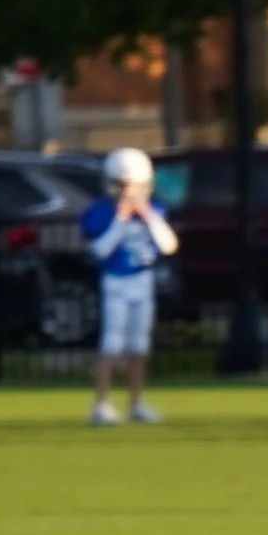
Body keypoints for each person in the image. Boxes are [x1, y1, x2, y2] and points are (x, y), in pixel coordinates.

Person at [82, 146, 177, 426]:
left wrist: (147, 216)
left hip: (142, 281)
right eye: (123, 185)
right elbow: (100, 251)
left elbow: (168, 246)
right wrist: (121, 220)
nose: (129, 191)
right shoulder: (101, 212)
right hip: (116, 281)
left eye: (133, 185)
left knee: (139, 346)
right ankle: (101, 404)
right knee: (111, 344)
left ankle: (137, 403)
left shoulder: (154, 210)